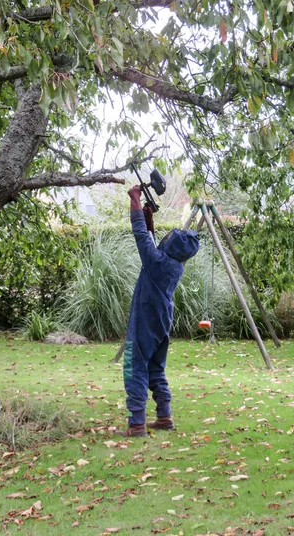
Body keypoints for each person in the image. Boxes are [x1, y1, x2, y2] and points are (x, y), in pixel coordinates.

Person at [118, 185, 200, 437]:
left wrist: (134, 199)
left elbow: (141, 237)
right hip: (161, 321)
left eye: (169, 237)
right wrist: (149, 216)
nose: (165, 237)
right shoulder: (172, 264)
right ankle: (164, 417)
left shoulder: (156, 262)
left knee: (134, 366)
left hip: (145, 319)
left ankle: (137, 424)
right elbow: (152, 243)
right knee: (155, 367)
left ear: (171, 246)